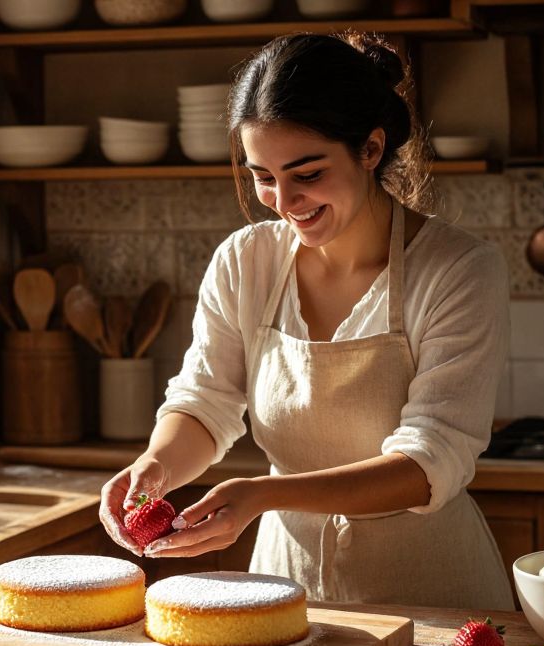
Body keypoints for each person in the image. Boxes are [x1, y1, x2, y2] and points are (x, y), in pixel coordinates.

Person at [97, 32, 513, 610]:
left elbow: (427, 462)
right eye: (263, 176)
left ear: (370, 149)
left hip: (433, 594)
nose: (284, 200)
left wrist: (261, 494)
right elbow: (205, 402)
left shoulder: (459, 271)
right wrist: (155, 466)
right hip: (285, 589)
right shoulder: (246, 262)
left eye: (308, 174)